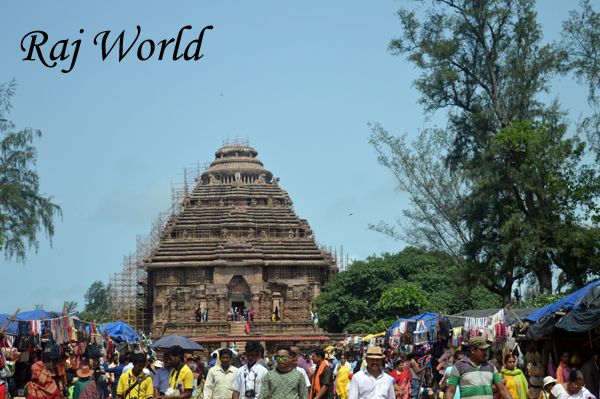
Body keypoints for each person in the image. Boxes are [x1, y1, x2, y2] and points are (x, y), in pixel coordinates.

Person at [444, 337, 512, 399]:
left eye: (486, 350)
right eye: (483, 350)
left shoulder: (490, 366)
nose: (486, 353)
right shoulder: (459, 366)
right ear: (473, 350)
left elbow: (502, 389)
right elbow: (451, 391)